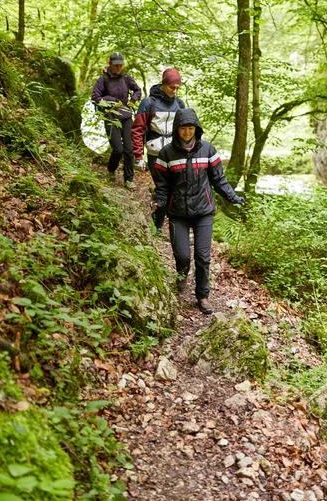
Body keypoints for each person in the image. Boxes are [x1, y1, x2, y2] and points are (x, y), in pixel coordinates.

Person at [152, 108, 245, 314]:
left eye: (191, 128)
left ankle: (203, 296)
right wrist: (158, 203)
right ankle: (181, 275)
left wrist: (233, 197)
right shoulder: (166, 154)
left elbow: (219, 180)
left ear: (196, 129)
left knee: (202, 256)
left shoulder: (208, 150)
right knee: (183, 255)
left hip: (203, 211)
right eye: (183, 128)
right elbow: (162, 186)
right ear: (177, 129)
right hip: (177, 213)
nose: (187, 132)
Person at [131, 68, 185, 233]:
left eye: (177, 88)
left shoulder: (179, 104)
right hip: (156, 154)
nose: (174, 91)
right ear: (164, 84)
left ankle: (175, 227)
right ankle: (158, 226)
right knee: (164, 189)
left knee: (177, 190)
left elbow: (185, 129)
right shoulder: (149, 103)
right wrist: (138, 155)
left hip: (176, 153)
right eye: (171, 87)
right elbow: (137, 130)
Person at [92, 52, 142, 189]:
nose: (119, 68)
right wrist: (113, 101)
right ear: (110, 64)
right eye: (116, 65)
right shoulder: (103, 79)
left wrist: (133, 100)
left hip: (126, 117)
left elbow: (138, 90)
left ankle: (129, 179)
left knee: (129, 149)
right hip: (110, 117)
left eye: (121, 65)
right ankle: (111, 170)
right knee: (118, 149)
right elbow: (95, 97)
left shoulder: (126, 78)